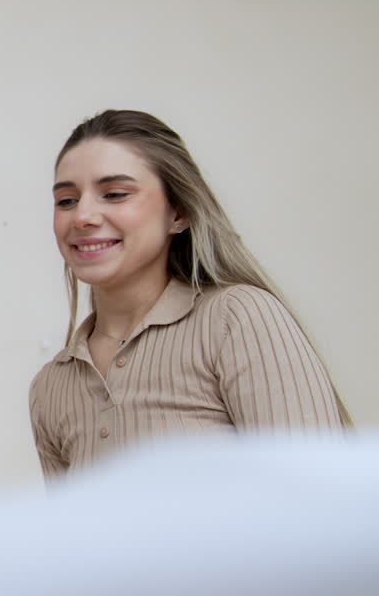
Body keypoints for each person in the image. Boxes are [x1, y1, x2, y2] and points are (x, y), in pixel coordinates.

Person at [29, 109, 347, 482]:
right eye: (66, 200)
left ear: (178, 213)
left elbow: (319, 500)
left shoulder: (235, 318)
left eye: (114, 194)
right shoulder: (50, 388)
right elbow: (69, 538)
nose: (82, 216)